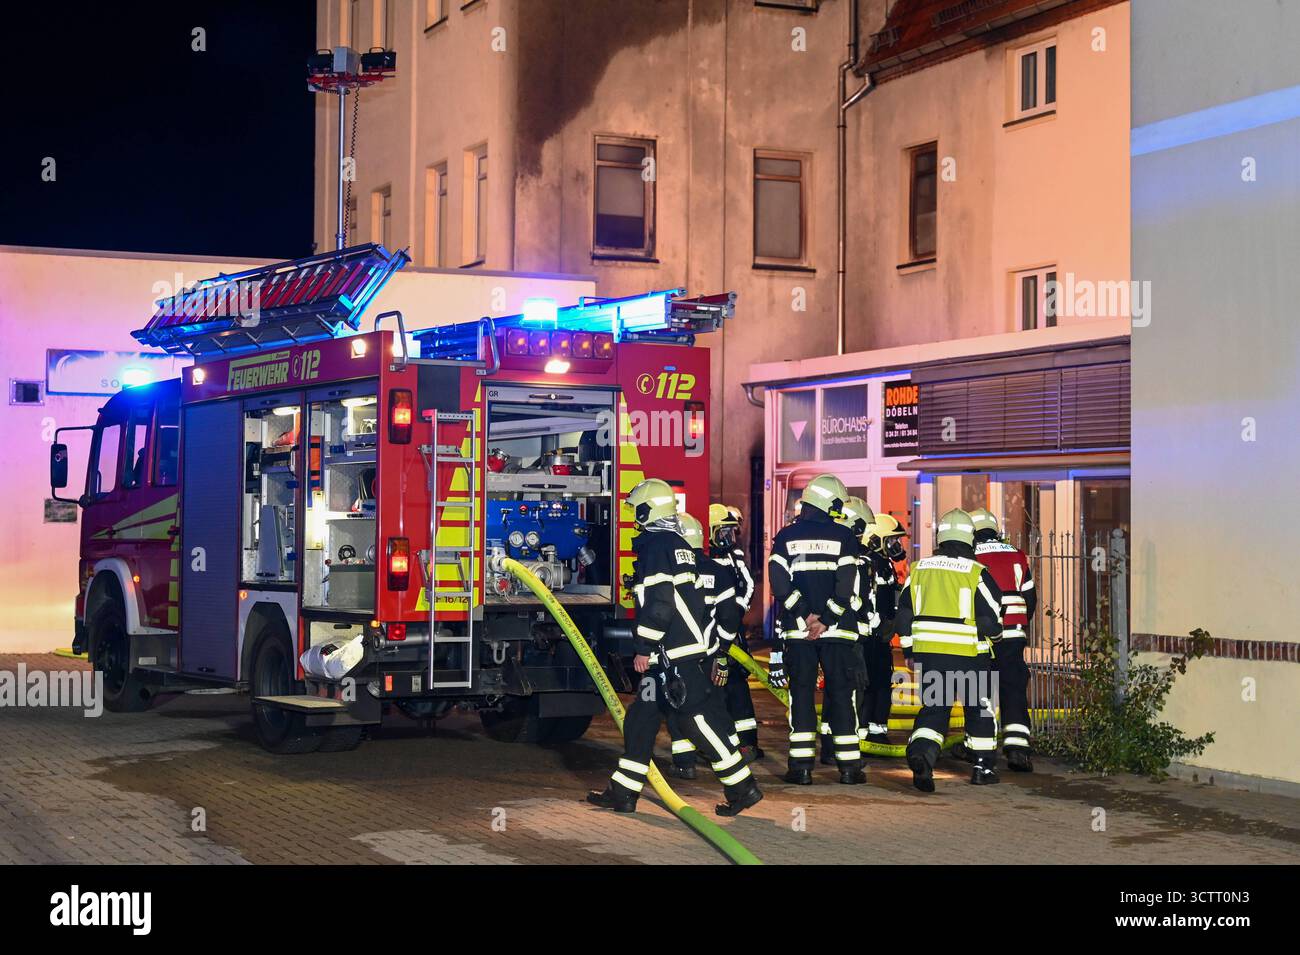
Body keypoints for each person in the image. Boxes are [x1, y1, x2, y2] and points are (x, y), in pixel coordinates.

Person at [587, 480, 763, 816]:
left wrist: (644, 646)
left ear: (646, 511)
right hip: (668, 658)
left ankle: (743, 787)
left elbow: (661, 604)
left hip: (672, 656)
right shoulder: (676, 545)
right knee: (640, 720)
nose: (633, 518)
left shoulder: (656, 547)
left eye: (635, 511)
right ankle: (623, 792)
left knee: (696, 721)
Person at [895, 508, 1004, 792]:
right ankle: (983, 769)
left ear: (940, 537)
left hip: (931, 656)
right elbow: (991, 618)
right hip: (971, 656)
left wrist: (909, 650)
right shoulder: (976, 572)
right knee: (979, 709)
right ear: (970, 539)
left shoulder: (919, 569)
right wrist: (996, 635)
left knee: (935, 708)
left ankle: (922, 753)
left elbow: (903, 615)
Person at [767, 474, 866, 785]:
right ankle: (849, 769)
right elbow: (846, 585)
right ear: (828, 503)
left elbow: (778, 583)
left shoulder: (785, 537)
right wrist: (826, 619)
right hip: (838, 632)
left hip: (799, 632)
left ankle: (801, 768)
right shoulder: (844, 536)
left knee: (801, 696)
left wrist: (805, 615)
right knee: (842, 696)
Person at [665, 513, 744, 779]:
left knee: (679, 706)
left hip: (681, 655)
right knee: (715, 705)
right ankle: (730, 753)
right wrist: (722, 650)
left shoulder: (674, 570)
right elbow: (730, 616)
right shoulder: (719, 572)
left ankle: (684, 764)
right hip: (710, 653)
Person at [969, 507, 1037, 772]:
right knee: (1013, 689)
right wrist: (1020, 623)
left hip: (983, 636)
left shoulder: (971, 555)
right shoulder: (1017, 554)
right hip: (1013, 635)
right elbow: (1030, 597)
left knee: (981, 691)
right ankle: (1017, 749)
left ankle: (978, 746)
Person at [820, 496, 876, 765]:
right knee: (850, 694)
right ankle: (847, 754)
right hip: (850, 638)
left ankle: (828, 748)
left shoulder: (829, 554)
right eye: (862, 530)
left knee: (833, 693)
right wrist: (870, 615)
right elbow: (854, 599)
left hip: (830, 634)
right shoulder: (855, 561)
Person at [708, 504, 763, 760]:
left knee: (738, 687)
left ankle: (748, 743)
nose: (727, 538)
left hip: (734, 633)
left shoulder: (734, 556)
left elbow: (748, 584)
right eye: (722, 533)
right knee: (713, 689)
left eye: (730, 533)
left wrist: (737, 609)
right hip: (710, 633)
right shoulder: (702, 558)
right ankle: (721, 745)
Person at [860, 513, 907, 746]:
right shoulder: (867, 564)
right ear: (874, 539)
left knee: (881, 684)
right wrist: (877, 623)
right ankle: (864, 733)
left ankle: (877, 731)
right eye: (891, 540)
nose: (896, 545)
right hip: (868, 638)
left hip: (881, 638)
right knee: (868, 685)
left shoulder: (885, 564)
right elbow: (864, 600)